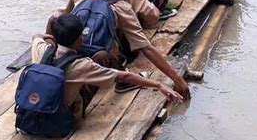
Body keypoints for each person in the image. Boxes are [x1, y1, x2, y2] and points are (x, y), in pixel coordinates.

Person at [32, 14, 183, 121]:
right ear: (79, 38)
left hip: (35, 108)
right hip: (64, 116)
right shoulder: (81, 65)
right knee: (102, 57)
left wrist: (48, 38)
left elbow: (36, 37)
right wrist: (159, 84)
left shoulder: (42, 49)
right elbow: (123, 76)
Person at [101, 0, 190, 98]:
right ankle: (123, 80)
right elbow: (146, 48)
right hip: (102, 62)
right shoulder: (121, 6)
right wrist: (177, 78)